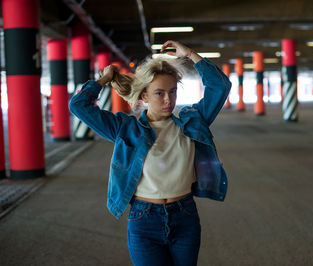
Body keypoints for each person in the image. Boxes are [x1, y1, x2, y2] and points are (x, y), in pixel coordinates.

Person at [69, 40, 231, 266]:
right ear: (144, 96)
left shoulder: (193, 121)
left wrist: (190, 54)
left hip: (184, 216)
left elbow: (220, 86)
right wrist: (105, 78)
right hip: (144, 220)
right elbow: (79, 105)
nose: (168, 100)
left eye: (173, 92)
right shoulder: (126, 129)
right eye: (159, 93)